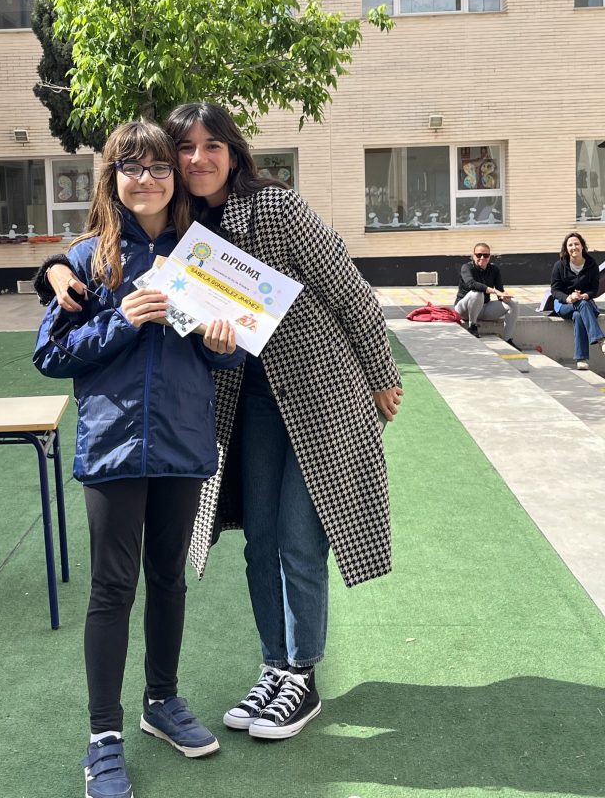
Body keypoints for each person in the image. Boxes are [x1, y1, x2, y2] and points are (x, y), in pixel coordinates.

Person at [39, 101, 403, 743]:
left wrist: (380, 372)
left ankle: (301, 672)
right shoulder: (186, 225)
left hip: (317, 390)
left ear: (234, 152)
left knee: (298, 537)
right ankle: (273, 666)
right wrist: (53, 267)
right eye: (185, 148)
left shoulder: (274, 208)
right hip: (247, 398)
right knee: (260, 538)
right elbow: (102, 247)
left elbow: (349, 290)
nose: (196, 159)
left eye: (212, 146)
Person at [33, 122, 242, 798]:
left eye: (159, 167)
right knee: (113, 588)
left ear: (175, 178)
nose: (146, 179)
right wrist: (122, 319)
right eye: (132, 167)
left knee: (169, 580)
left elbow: (227, 354)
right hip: (114, 446)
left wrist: (220, 342)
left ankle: (162, 701)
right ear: (112, 177)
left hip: (182, 441)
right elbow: (50, 355)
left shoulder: (202, 255)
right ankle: (103, 737)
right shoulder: (89, 259)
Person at [550, 231, 604, 370]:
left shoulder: (591, 264)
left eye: (576, 244)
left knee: (578, 314)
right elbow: (555, 291)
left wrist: (584, 295)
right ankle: (600, 339)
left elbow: (594, 289)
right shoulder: (559, 265)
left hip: (584, 302)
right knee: (581, 305)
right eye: (570, 245)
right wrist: (568, 298)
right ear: (566, 248)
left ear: (582, 246)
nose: (574, 247)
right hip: (564, 304)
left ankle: (581, 359)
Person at [454, 243, 520, 346]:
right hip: (464, 309)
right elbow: (471, 284)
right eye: (479, 255)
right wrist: (493, 291)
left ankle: (508, 339)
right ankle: (473, 326)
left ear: (489, 256)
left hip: (484, 308)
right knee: (477, 293)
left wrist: (503, 297)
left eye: (486, 255)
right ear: (473, 255)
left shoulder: (494, 269)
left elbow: (499, 290)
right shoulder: (466, 267)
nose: (482, 258)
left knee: (514, 303)